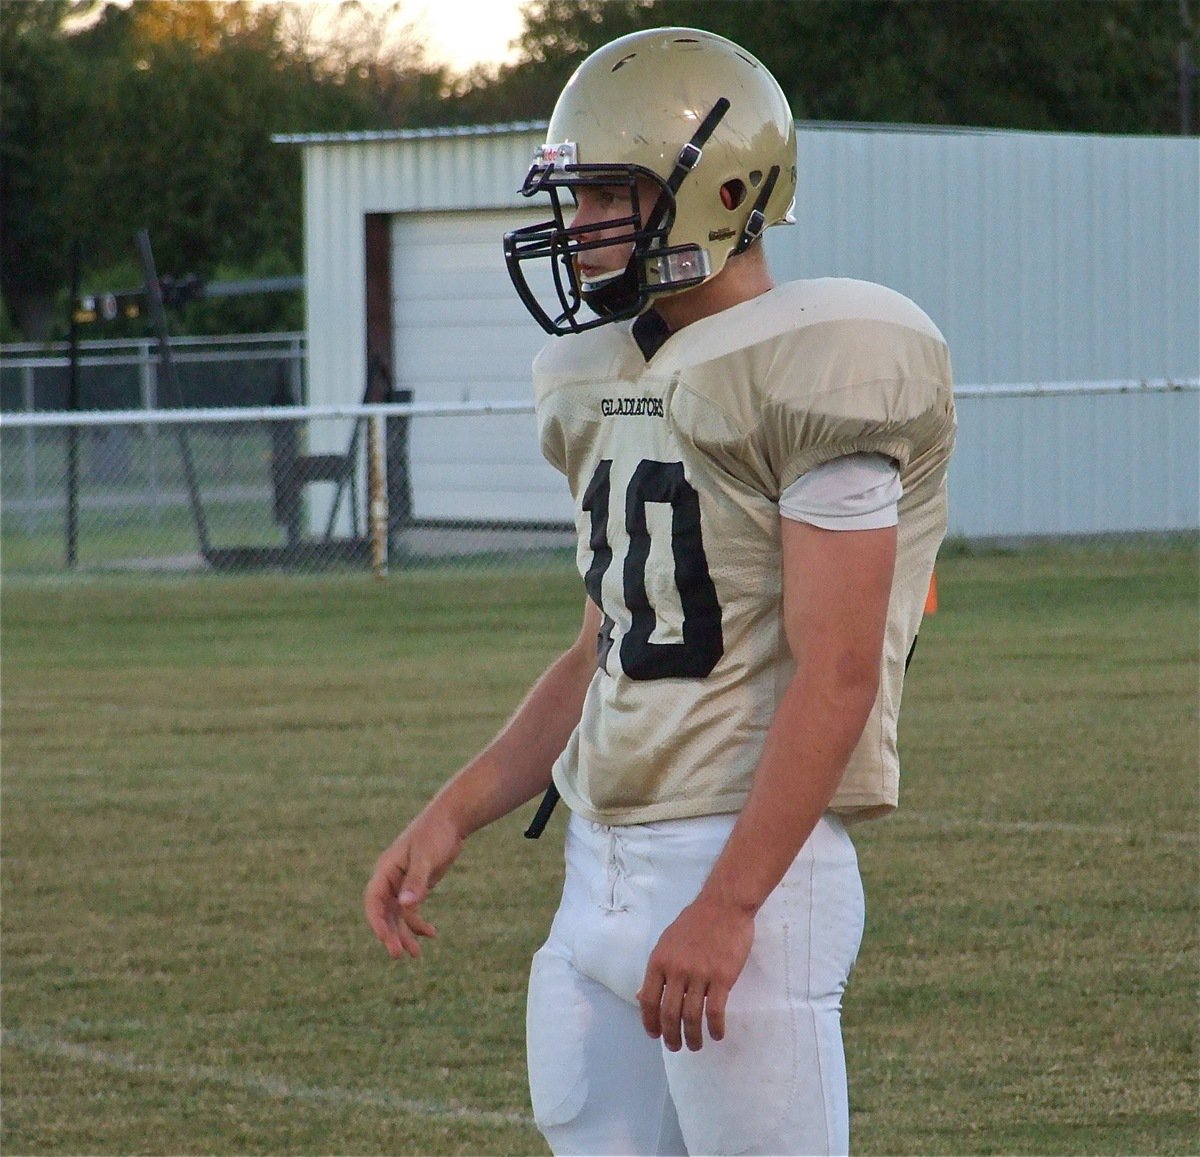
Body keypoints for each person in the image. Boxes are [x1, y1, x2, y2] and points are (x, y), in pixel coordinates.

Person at [366, 26, 956, 1157]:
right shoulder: (615, 377)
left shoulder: (819, 371)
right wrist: (455, 808)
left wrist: (732, 903)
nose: (579, 222)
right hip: (602, 863)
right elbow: (607, 645)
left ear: (724, 191)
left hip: (742, 861)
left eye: (608, 192)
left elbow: (837, 673)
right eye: (575, 194)